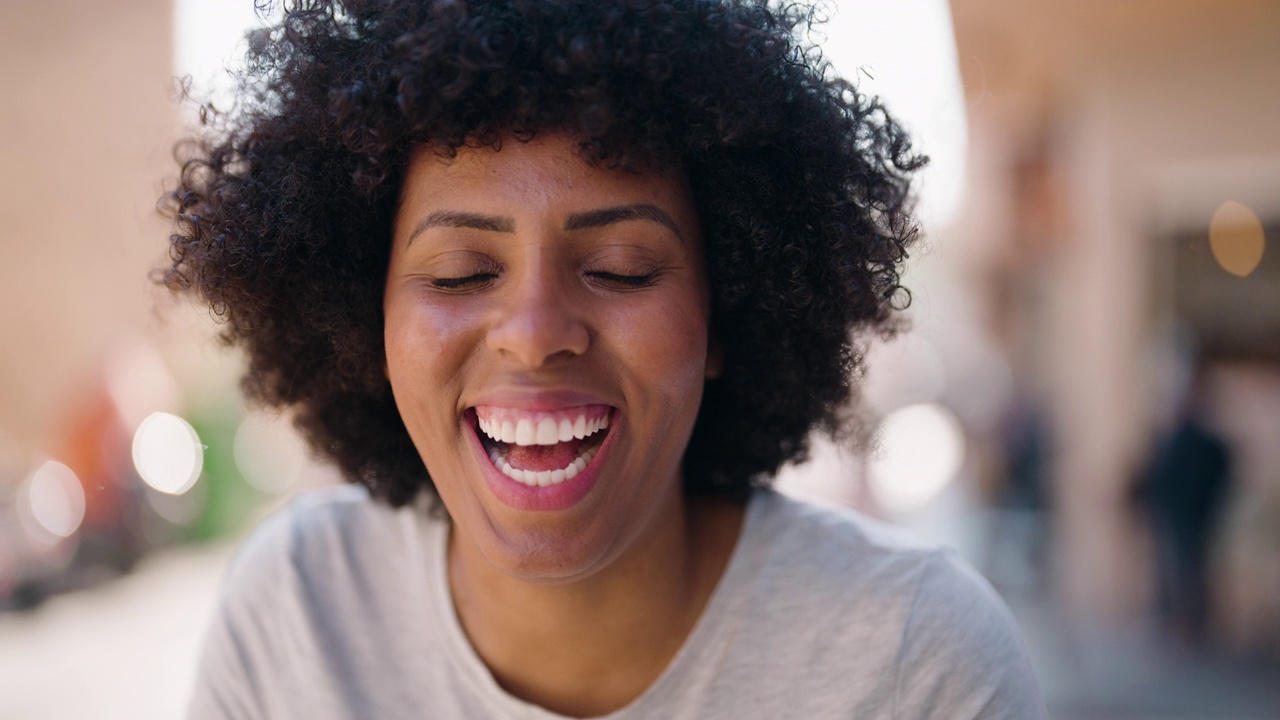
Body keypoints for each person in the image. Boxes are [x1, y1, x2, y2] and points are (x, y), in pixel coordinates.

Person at [163, 1, 1046, 717]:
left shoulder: (915, 661)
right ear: (367, 318)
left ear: (725, 312)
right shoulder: (296, 618)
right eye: (463, 271)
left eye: (620, 269)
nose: (537, 328)